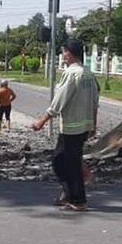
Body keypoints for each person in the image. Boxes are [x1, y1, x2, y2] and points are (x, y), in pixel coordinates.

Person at [32, 40, 99, 212]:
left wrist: (42, 120)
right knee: (63, 160)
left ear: (70, 53)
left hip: (72, 127)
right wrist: (93, 124)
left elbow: (60, 99)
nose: (62, 55)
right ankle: (69, 193)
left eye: (63, 52)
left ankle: (78, 199)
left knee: (67, 164)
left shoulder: (71, 73)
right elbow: (95, 101)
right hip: (82, 126)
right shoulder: (88, 73)